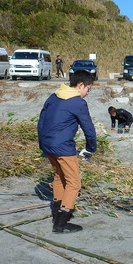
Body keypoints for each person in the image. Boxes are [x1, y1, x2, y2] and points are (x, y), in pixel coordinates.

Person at [37, 70, 97, 233]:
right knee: (74, 183)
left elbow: (41, 122)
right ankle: (61, 223)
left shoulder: (54, 96)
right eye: (88, 89)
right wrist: (91, 149)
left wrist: (42, 146)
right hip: (63, 147)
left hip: (48, 144)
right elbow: (88, 129)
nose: (87, 93)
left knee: (59, 177)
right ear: (80, 85)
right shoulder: (77, 102)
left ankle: (57, 214)